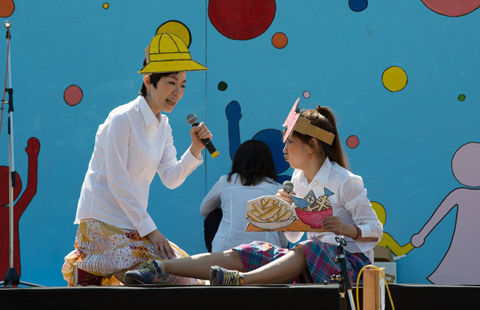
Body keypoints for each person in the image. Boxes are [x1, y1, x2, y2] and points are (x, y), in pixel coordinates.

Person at [124, 99, 383, 285]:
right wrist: (288, 212)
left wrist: (347, 229)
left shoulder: (345, 181)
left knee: (309, 248)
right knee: (253, 250)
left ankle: (241, 281)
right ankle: (159, 267)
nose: (284, 150)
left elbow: (375, 230)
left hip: (350, 268)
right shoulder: (298, 179)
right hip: (312, 261)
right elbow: (293, 236)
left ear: (311, 145)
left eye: (290, 143)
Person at [62, 31, 210, 286]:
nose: (178, 92)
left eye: (183, 85)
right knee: (167, 273)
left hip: (135, 228)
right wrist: (152, 232)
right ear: (148, 80)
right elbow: (118, 182)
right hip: (102, 223)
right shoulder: (122, 118)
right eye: (171, 83)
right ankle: (88, 266)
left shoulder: (163, 126)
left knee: (189, 277)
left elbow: (171, 178)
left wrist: (195, 149)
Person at [200, 140, 288, 252]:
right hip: (266, 256)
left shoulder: (226, 181)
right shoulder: (277, 188)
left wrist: (230, 208)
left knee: (214, 215)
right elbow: (283, 239)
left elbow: (203, 210)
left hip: (225, 252)